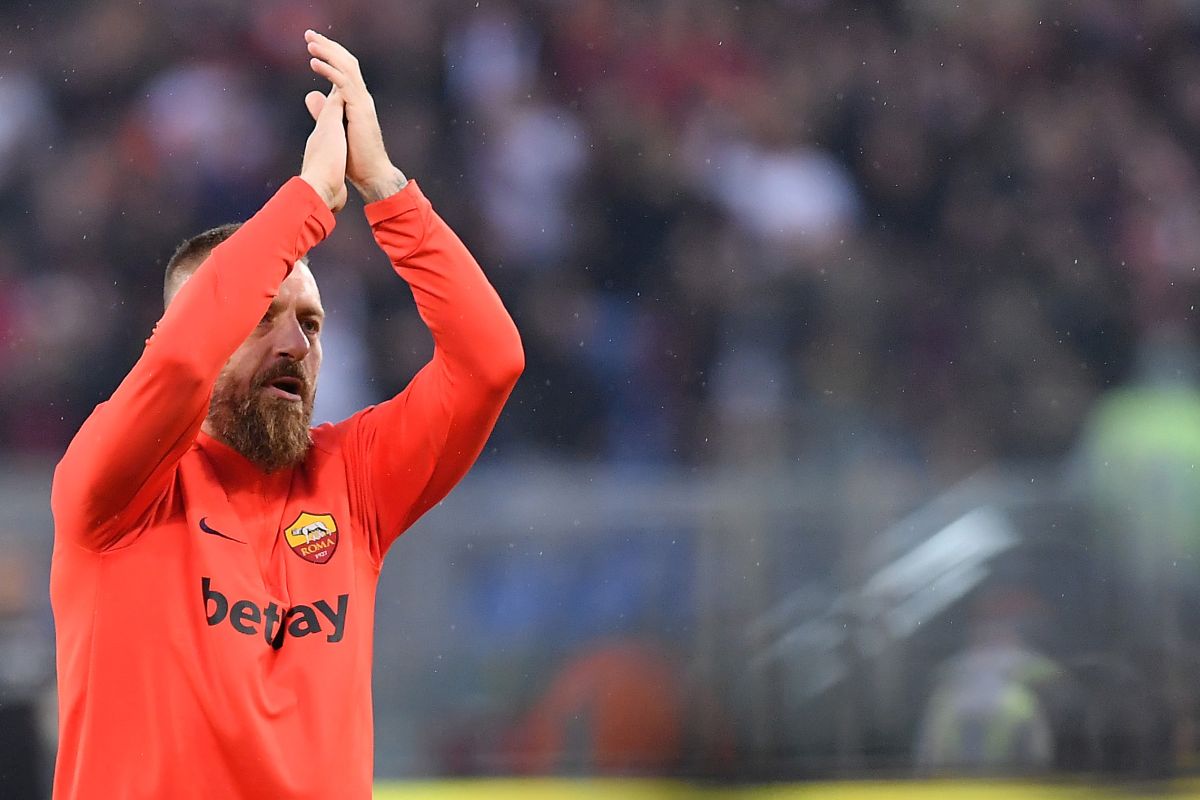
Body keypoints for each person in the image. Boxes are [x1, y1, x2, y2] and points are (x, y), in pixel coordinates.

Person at [49, 30, 523, 799]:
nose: (295, 344)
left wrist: (387, 189)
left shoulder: (353, 482)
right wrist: (307, 202)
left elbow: (489, 362)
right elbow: (180, 364)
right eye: (262, 315)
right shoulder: (113, 492)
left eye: (310, 322)